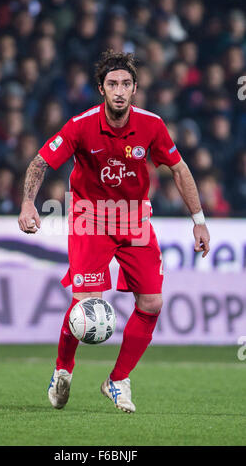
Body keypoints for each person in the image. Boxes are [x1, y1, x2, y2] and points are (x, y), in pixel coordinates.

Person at [18, 50, 210, 413]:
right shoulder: (81, 125)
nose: (119, 91)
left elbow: (180, 169)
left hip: (135, 219)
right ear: (101, 90)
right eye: (112, 84)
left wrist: (198, 221)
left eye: (125, 84)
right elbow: (41, 161)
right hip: (90, 217)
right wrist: (28, 202)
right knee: (86, 305)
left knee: (152, 303)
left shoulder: (152, 125)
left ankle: (117, 379)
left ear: (135, 88)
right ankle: (63, 369)